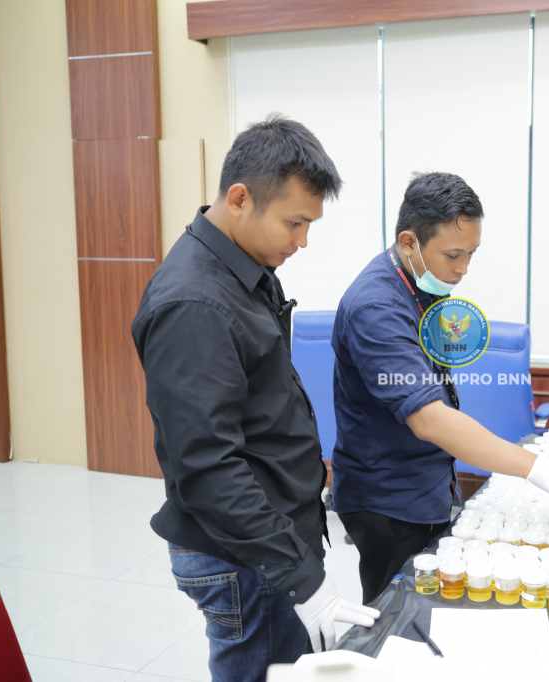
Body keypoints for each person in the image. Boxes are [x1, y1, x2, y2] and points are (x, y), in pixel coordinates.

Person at [131, 114, 378, 682]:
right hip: (244, 553)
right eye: (295, 222)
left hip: (269, 537)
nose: (302, 241)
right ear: (241, 198)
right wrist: (302, 578)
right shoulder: (194, 303)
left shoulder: (245, 268)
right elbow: (206, 467)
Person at [330, 172, 549, 604]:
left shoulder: (421, 283)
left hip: (426, 479)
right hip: (388, 497)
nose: (463, 269)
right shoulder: (377, 307)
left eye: (471, 253)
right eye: (453, 255)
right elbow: (428, 418)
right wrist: (536, 468)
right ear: (409, 242)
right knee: (398, 611)